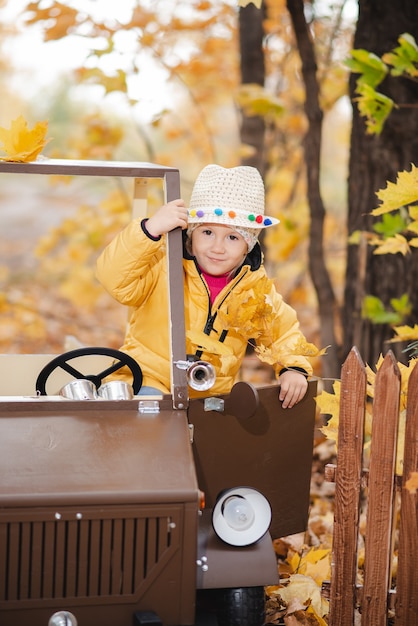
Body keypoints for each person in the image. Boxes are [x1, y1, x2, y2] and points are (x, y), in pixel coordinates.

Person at [96, 164, 313, 408]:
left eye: (232, 237)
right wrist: (150, 230)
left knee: (217, 439)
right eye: (207, 232)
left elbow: (283, 333)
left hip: (208, 397)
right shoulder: (163, 264)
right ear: (191, 234)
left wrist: (292, 367)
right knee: (152, 420)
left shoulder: (255, 289)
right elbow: (114, 278)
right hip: (148, 381)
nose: (217, 248)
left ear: (248, 246)